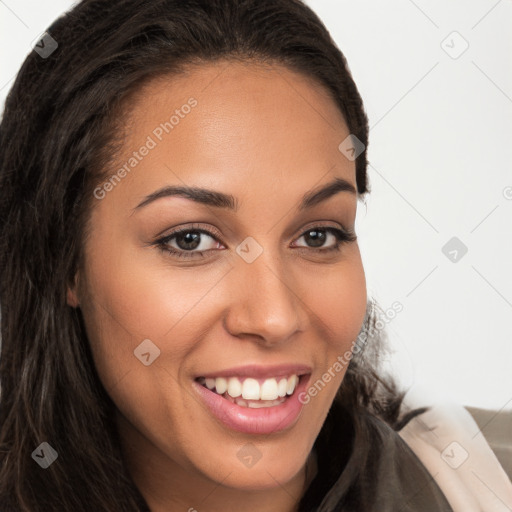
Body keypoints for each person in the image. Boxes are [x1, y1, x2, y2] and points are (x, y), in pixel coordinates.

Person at [0, 1, 510, 511]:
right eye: (191, 240)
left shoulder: (481, 483)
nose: (275, 317)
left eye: (317, 236)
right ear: (63, 255)